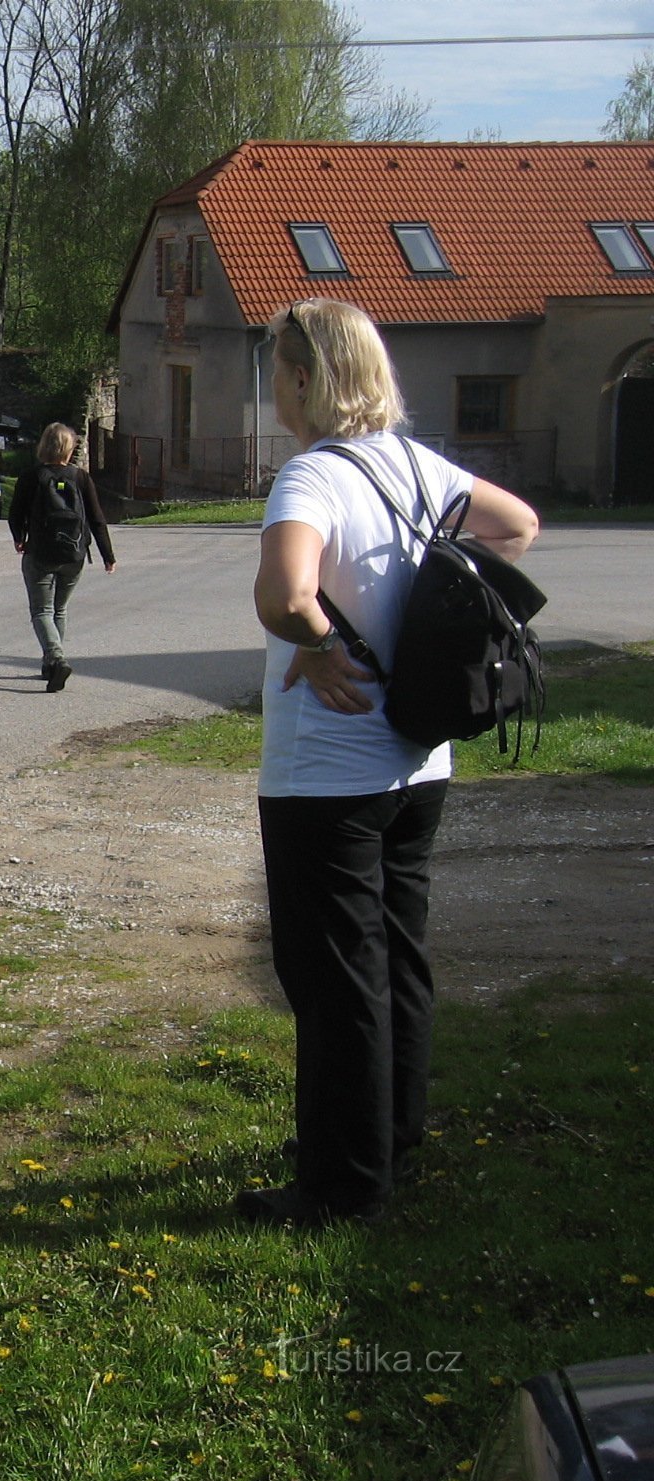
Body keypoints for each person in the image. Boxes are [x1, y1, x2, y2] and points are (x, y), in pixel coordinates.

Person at [242, 296, 538, 1228]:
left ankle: (341, 1184)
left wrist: (322, 641)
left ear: (303, 379)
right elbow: (517, 526)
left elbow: (285, 596)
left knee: (335, 979)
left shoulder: (311, 478)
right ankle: (389, 1139)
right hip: (420, 764)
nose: (275, 386)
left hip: (329, 775)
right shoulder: (417, 466)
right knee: (397, 958)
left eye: (279, 369)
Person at [6, 423, 116, 691]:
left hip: (40, 553)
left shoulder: (32, 476)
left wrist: (19, 537)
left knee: (42, 610)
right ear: (69, 448)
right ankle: (51, 665)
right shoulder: (80, 477)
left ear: (43, 445)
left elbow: (15, 513)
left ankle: (56, 658)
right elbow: (97, 519)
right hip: (74, 555)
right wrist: (107, 555)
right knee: (59, 609)